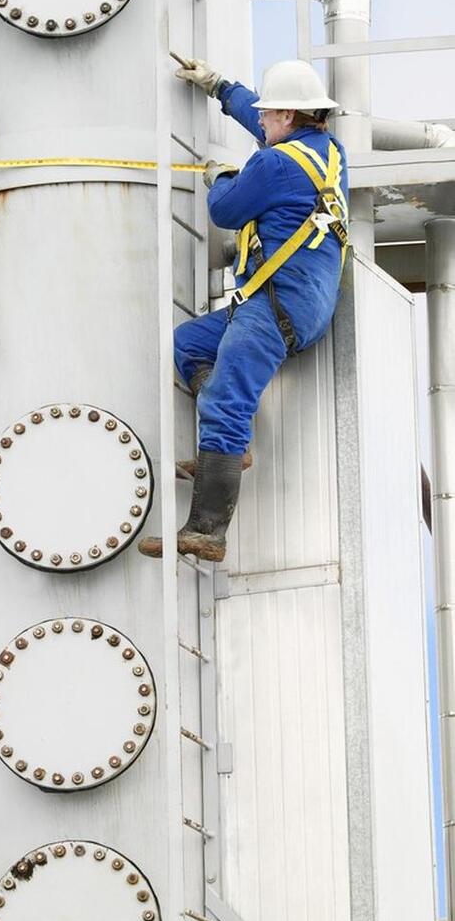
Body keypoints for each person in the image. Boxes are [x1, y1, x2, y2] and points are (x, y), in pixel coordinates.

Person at [139, 58, 349, 561]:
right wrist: (219, 87)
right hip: (303, 305)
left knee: (224, 402)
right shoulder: (328, 153)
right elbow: (262, 130)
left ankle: (206, 530)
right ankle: (235, 448)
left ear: (285, 116)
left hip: (273, 304)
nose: (261, 121)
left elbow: (225, 210)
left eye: (266, 113)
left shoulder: (274, 164)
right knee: (189, 343)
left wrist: (223, 176)